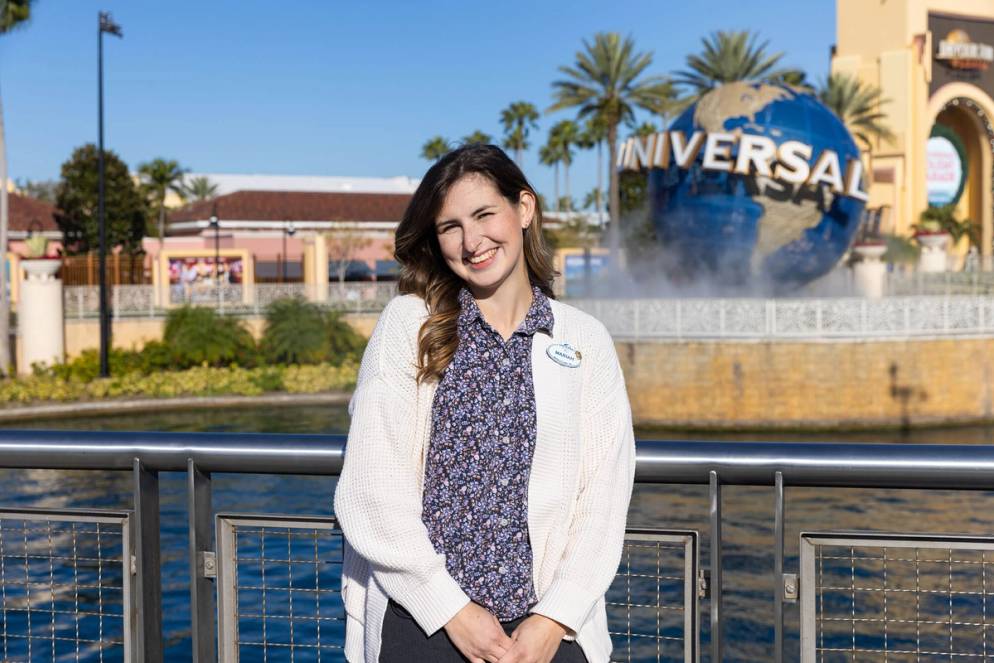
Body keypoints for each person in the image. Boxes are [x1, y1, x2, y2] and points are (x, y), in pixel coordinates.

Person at [334, 144, 635, 663]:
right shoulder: (411, 324)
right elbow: (370, 488)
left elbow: (603, 499)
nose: (471, 241)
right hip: (425, 624)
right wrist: (451, 609)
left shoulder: (585, 340)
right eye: (450, 227)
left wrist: (553, 620)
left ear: (523, 209)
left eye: (483, 215)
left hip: (548, 634)